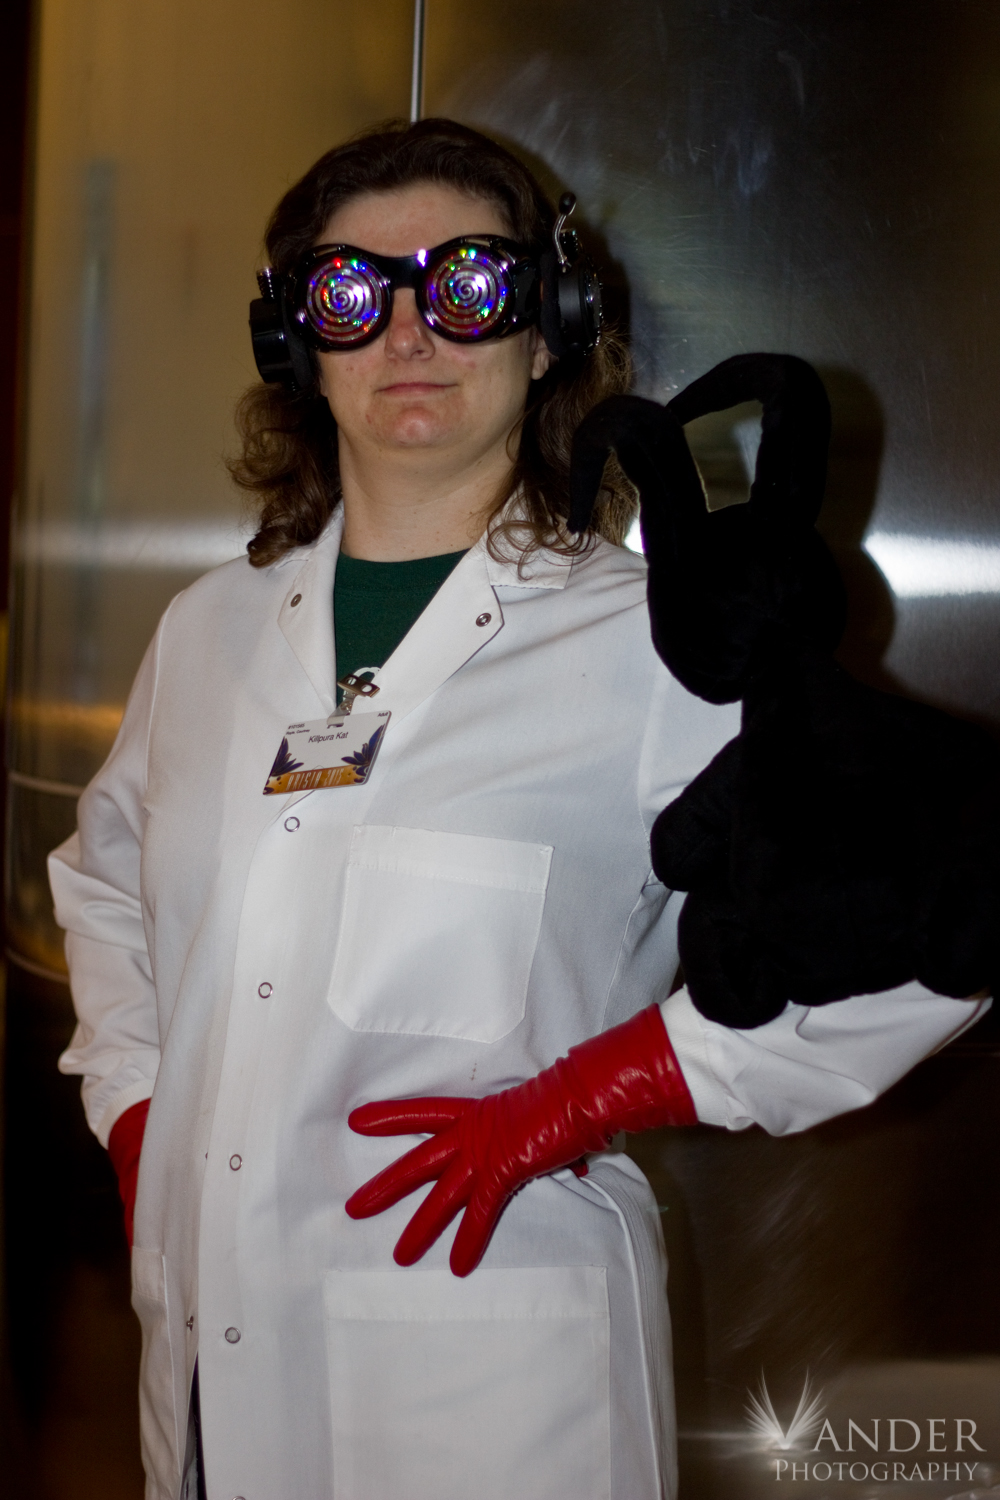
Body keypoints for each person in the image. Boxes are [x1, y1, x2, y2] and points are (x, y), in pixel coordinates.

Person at [49, 119, 988, 1500]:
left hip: (493, 1396)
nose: (408, 331)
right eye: (351, 293)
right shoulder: (209, 633)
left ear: (548, 327)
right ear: (296, 344)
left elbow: (937, 914)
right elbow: (106, 883)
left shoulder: (659, 642)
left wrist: (600, 1093)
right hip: (203, 1385)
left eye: (469, 283)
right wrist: (140, 1114)